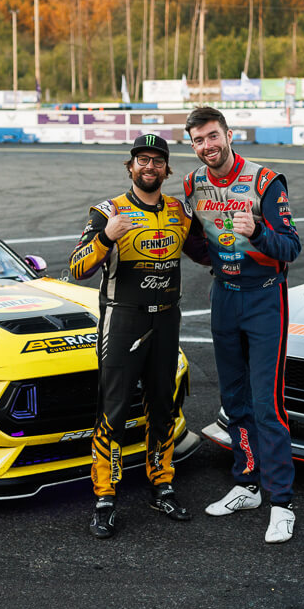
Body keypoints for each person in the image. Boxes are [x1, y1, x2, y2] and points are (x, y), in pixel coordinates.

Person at [70, 133, 207, 539]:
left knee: (162, 407)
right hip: (123, 320)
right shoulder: (107, 211)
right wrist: (106, 237)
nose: (150, 168)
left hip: (166, 320)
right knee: (113, 410)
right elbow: (77, 268)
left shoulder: (181, 212)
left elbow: (207, 251)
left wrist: (243, 248)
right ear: (130, 167)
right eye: (142, 160)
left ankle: (161, 485)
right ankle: (105, 497)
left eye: (157, 161)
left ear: (168, 169)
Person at [183, 107, 302, 543]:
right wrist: (195, 246)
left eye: (213, 136)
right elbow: (199, 244)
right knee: (234, 402)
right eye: (198, 141)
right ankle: (247, 483)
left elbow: (291, 246)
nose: (207, 146)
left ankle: (282, 503)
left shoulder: (266, 181)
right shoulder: (193, 183)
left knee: (268, 405)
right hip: (224, 298)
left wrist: (258, 234)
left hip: (265, 298)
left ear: (229, 135)